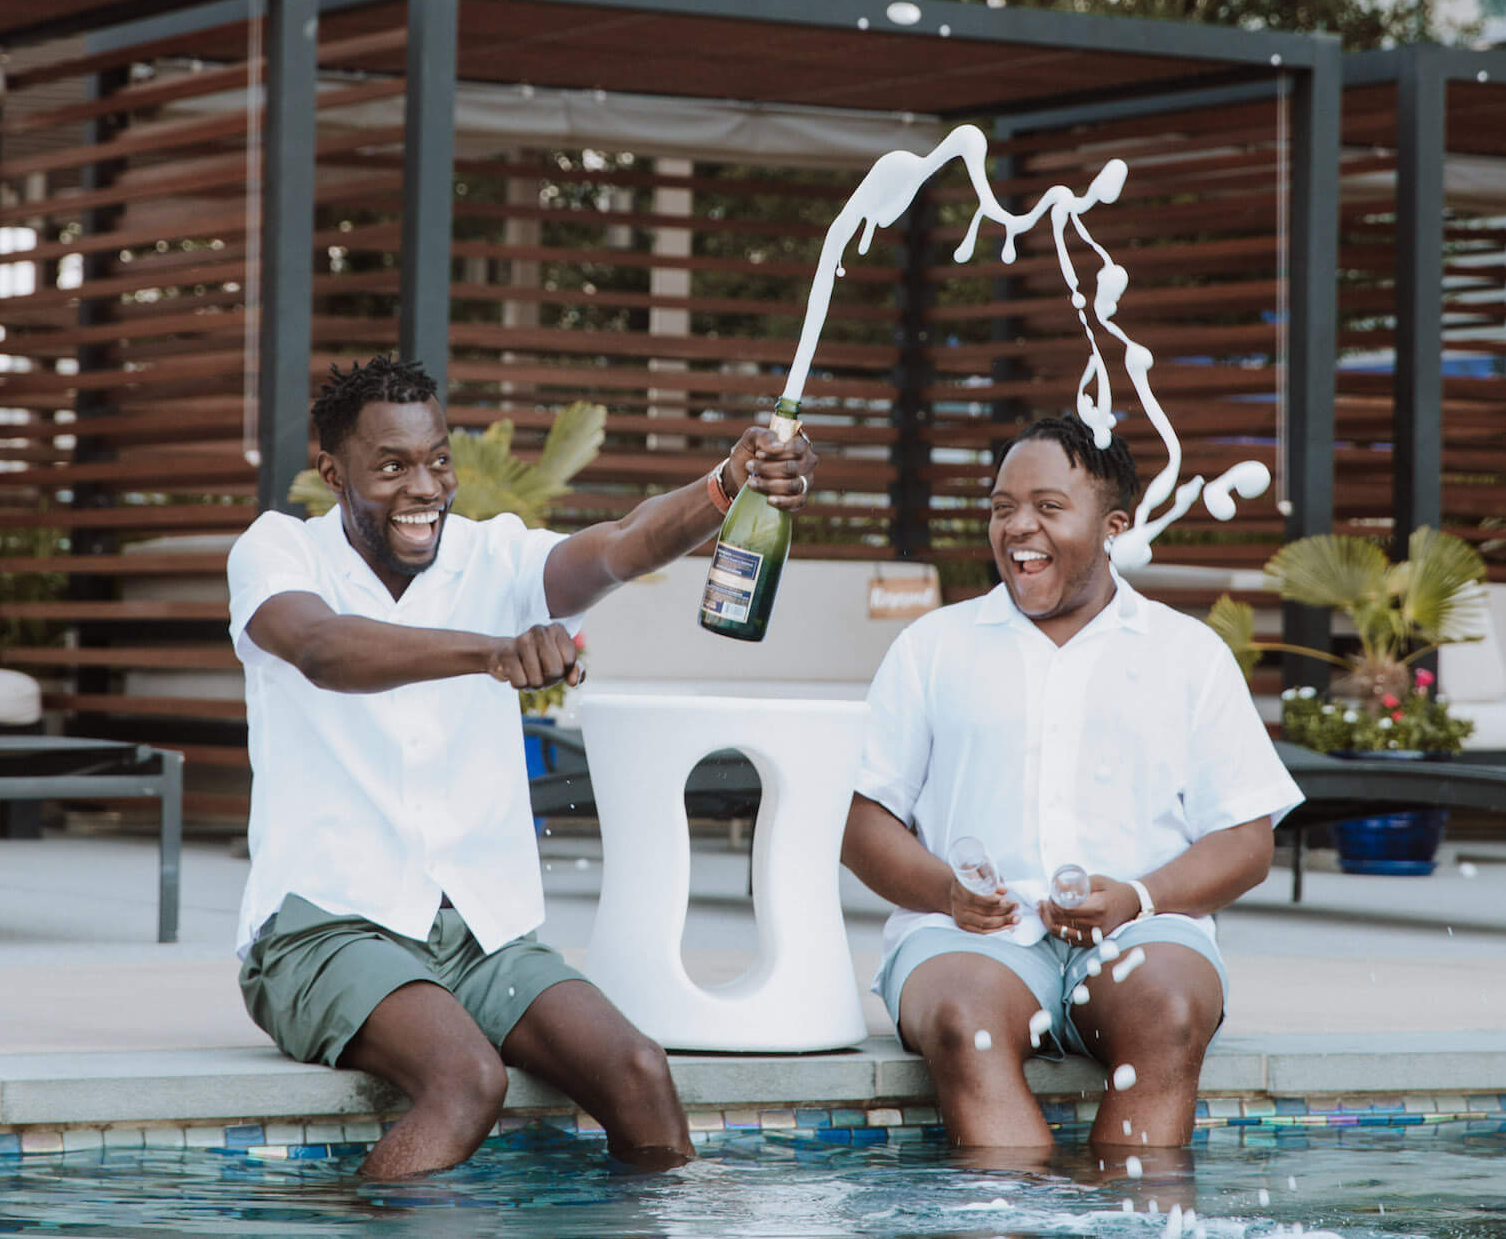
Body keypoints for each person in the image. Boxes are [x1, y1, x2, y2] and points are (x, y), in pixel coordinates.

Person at [227, 355, 816, 1178]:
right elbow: (324, 648)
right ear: (332, 473)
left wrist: (726, 482)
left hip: (479, 933)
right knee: (467, 1079)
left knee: (639, 1071)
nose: (424, 485)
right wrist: (494, 652)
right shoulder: (279, 552)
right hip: (323, 926)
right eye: (391, 466)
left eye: (437, 460)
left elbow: (620, 547)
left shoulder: (492, 556)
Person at [840, 415, 1302, 1173]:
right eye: (1001, 506)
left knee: (1170, 1012)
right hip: (967, 936)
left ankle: (1134, 1221)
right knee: (964, 1025)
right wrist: (945, 892)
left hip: (1143, 930)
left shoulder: (1186, 654)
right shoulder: (934, 647)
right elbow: (862, 820)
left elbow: (1248, 841)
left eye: (1048, 506)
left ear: (1114, 524)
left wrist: (1139, 897)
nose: (1019, 525)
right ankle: (1015, 1217)